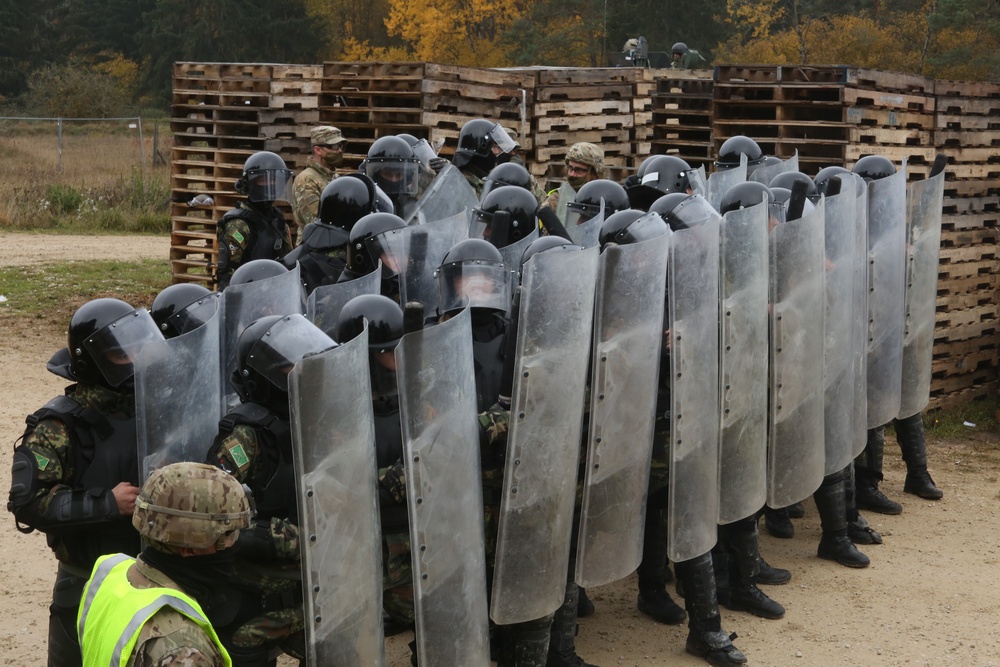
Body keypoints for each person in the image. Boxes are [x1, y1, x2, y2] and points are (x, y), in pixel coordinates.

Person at [8, 297, 164, 667]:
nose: (135, 357)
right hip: (86, 581)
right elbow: (28, 501)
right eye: (121, 354)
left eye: (137, 346)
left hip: (158, 575)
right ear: (92, 361)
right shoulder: (59, 425)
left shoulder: (159, 406)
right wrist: (108, 503)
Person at [207, 314, 337, 665]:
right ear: (263, 378)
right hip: (256, 592)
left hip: (317, 582)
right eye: (287, 370)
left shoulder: (319, 419)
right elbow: (211, 518)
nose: (302, 377)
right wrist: (286, 537)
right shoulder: (245, 438)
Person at [76, 461, 252, 667]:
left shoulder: (110, 572)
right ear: (189, 547)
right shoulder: (183, 649)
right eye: (228, 534)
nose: (234, 542)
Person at [216, 151, 294, 290]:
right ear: (250, 183)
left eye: (275, 179)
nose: (271, 185)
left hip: (278, 296)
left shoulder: (278, 222)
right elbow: (227, 277)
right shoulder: (239, 225)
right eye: (264, 179)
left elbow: (288, 264)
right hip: (248, 297)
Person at [291, 125, 346, 242]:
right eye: (334, 146)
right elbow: (315, 222)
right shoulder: (306, 180)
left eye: (340, 146)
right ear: (317, 150)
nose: (339, 150)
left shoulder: (335, 177)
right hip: (313, 248)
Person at [448, 118, 518, 198]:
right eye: (495, 147)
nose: (498, 152)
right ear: (482, 148)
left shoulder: (485, 180)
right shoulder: (461, 186)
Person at [542, 143, 607, 223]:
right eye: (570, 168)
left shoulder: (608, 198)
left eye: (578, 170)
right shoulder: (556, 200)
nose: (572, 174)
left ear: (594, 173)